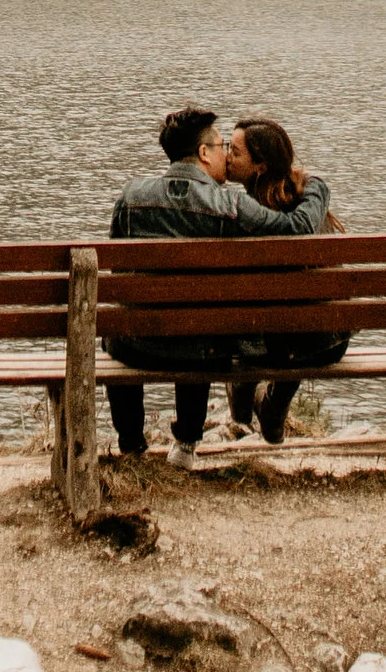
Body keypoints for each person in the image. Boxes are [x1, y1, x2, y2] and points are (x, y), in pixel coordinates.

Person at [103, 103, 330, 466]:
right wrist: (316, 188)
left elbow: (116, 267)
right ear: (204, 153)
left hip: (135, 345)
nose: (228, 155)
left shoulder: (131, 196)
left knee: (128, 324)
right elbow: (297, 231)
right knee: (198, 325)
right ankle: (188, 442)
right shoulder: (231, 204)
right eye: (224, 147)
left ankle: (131, 444)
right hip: (200, 349)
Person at [220, 114, 349, 446]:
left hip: (264, 348)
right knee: (290, 314)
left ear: (260, 165)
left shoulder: (240, 211)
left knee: (256, 317)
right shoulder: (310, 191)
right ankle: (272, 409)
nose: (226, 156)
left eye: (234, 150)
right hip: (327, 344)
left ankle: (245, 410)